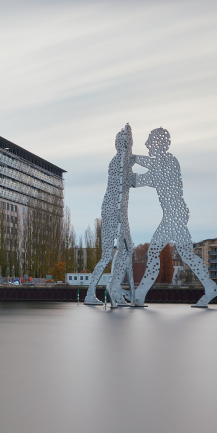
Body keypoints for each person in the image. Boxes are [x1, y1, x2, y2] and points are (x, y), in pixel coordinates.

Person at [132, 128, 217, 307]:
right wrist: (132, 163)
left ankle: (140, 296)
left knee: (155, 252)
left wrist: (131, 162)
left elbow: (142, 178)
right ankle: (210, 286)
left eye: (151, 141)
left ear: (159, 144)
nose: (148, 144)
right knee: (186, 254)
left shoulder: (168, 162)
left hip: (174, 215)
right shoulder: (164, 163)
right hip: (176, 214)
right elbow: (147, 170)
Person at [84, 125, 134, 306]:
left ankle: (115, 289)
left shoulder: (125, 162)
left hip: (120, 214)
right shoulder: (118, 162)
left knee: (129, 250)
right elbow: (121, 187)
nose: (126, 146)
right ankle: (91, 294)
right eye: (123, 142)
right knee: (107, 255)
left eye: (127, 142)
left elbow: (131, 181)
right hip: (113, 212)